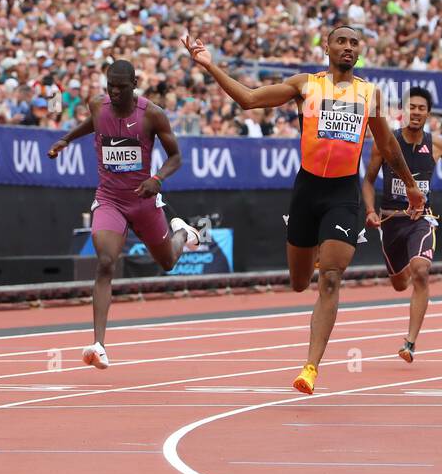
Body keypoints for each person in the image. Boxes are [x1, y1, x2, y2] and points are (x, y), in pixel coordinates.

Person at [182, 27, 424, 394]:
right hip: (307, 190)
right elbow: (249, 99)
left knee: (330, 278)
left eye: (354, 43)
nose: (347, 47)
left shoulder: (368, 94)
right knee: (298, 283)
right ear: (326, 47)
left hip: (343, 193)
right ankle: (311, 253)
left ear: (359, 52)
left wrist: (408, 184)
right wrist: (208, 66)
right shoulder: (305, 85)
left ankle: (310, 367)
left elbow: (388, 144)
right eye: (341, 41)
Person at [48, 60, 199, 370]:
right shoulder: (97, 105)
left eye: (120, 88)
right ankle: (99, 344)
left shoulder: (151, 114)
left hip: (143, 200)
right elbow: (94, 122)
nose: (114, 93)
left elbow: (176, 157)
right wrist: (66, 139)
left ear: (134, 84)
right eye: (110, 87)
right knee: (105, 262)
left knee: (168, 262)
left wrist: (156, 179)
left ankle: (183, 232)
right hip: (110, 200)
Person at [361, 86, 442, 362]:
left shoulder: (438, 144)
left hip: (421, 219)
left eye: (421, 108)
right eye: (412, 107)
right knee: (399, 284)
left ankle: (409, 343)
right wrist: (371, 210)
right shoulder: (384, 142)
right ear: (403, 111)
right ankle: (407, 266)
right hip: (390, 220)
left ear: (428, 113)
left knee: (421, 271)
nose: (416, 112)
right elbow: (369, 181)